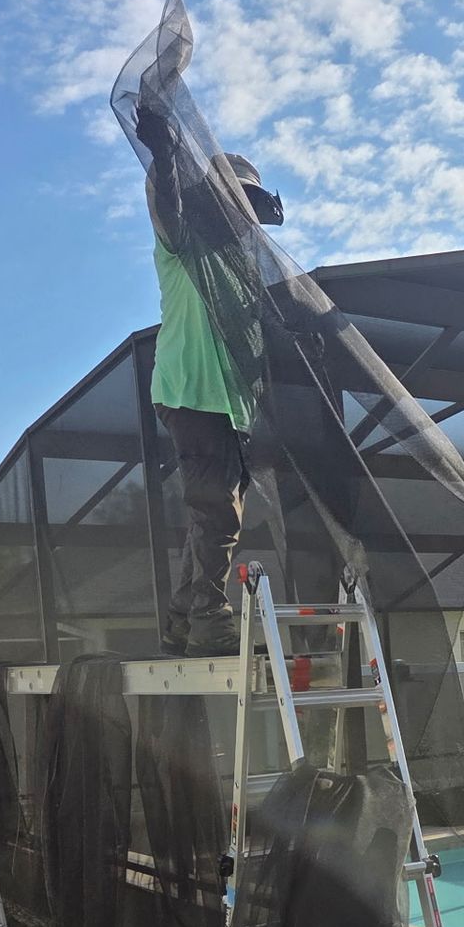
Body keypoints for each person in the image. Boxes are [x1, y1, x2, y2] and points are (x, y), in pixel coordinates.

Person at [136, 102, 284, 656]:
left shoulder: (244, 271)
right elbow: (167, 209)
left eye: (247, 204)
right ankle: (210, 619)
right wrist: (166, 158)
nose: (241, 214)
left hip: (228, 408)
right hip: (190, 394)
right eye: (234, 200)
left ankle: (181, 622)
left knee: (213, 517)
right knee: (217, 509)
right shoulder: (184, 248)